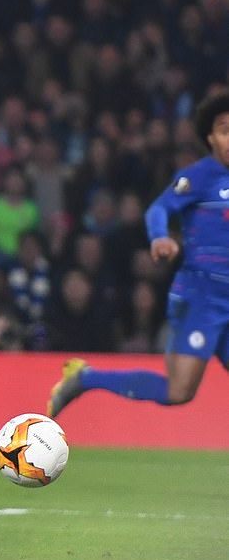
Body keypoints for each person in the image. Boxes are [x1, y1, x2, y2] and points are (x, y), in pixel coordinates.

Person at [48, 91, 229, 417]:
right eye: (225, 130)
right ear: (211, 138)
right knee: (178, 391)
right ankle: (85, 378)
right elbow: (159, 209)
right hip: (202, 297)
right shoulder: (199, 177)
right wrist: (160, 238)